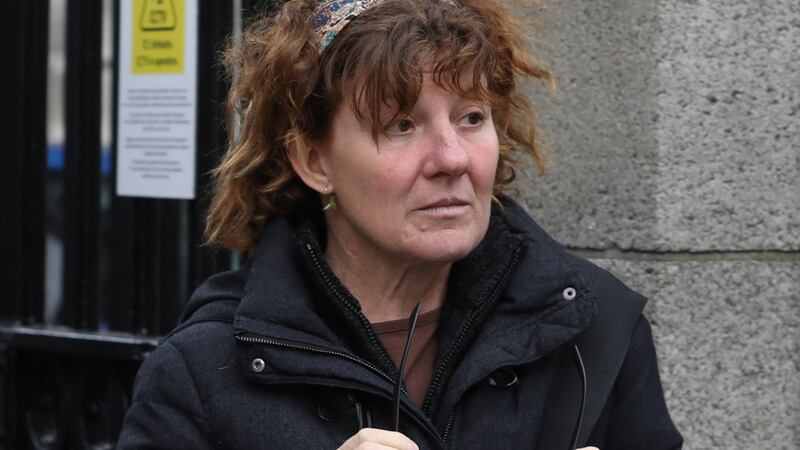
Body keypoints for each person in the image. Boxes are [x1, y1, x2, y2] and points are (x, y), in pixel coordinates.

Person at [118, 0, 683, 448]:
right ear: (314, 161)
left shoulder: (593, 331)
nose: (452, 158)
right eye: (401, 125)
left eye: (471, 118)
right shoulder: (206, 370)